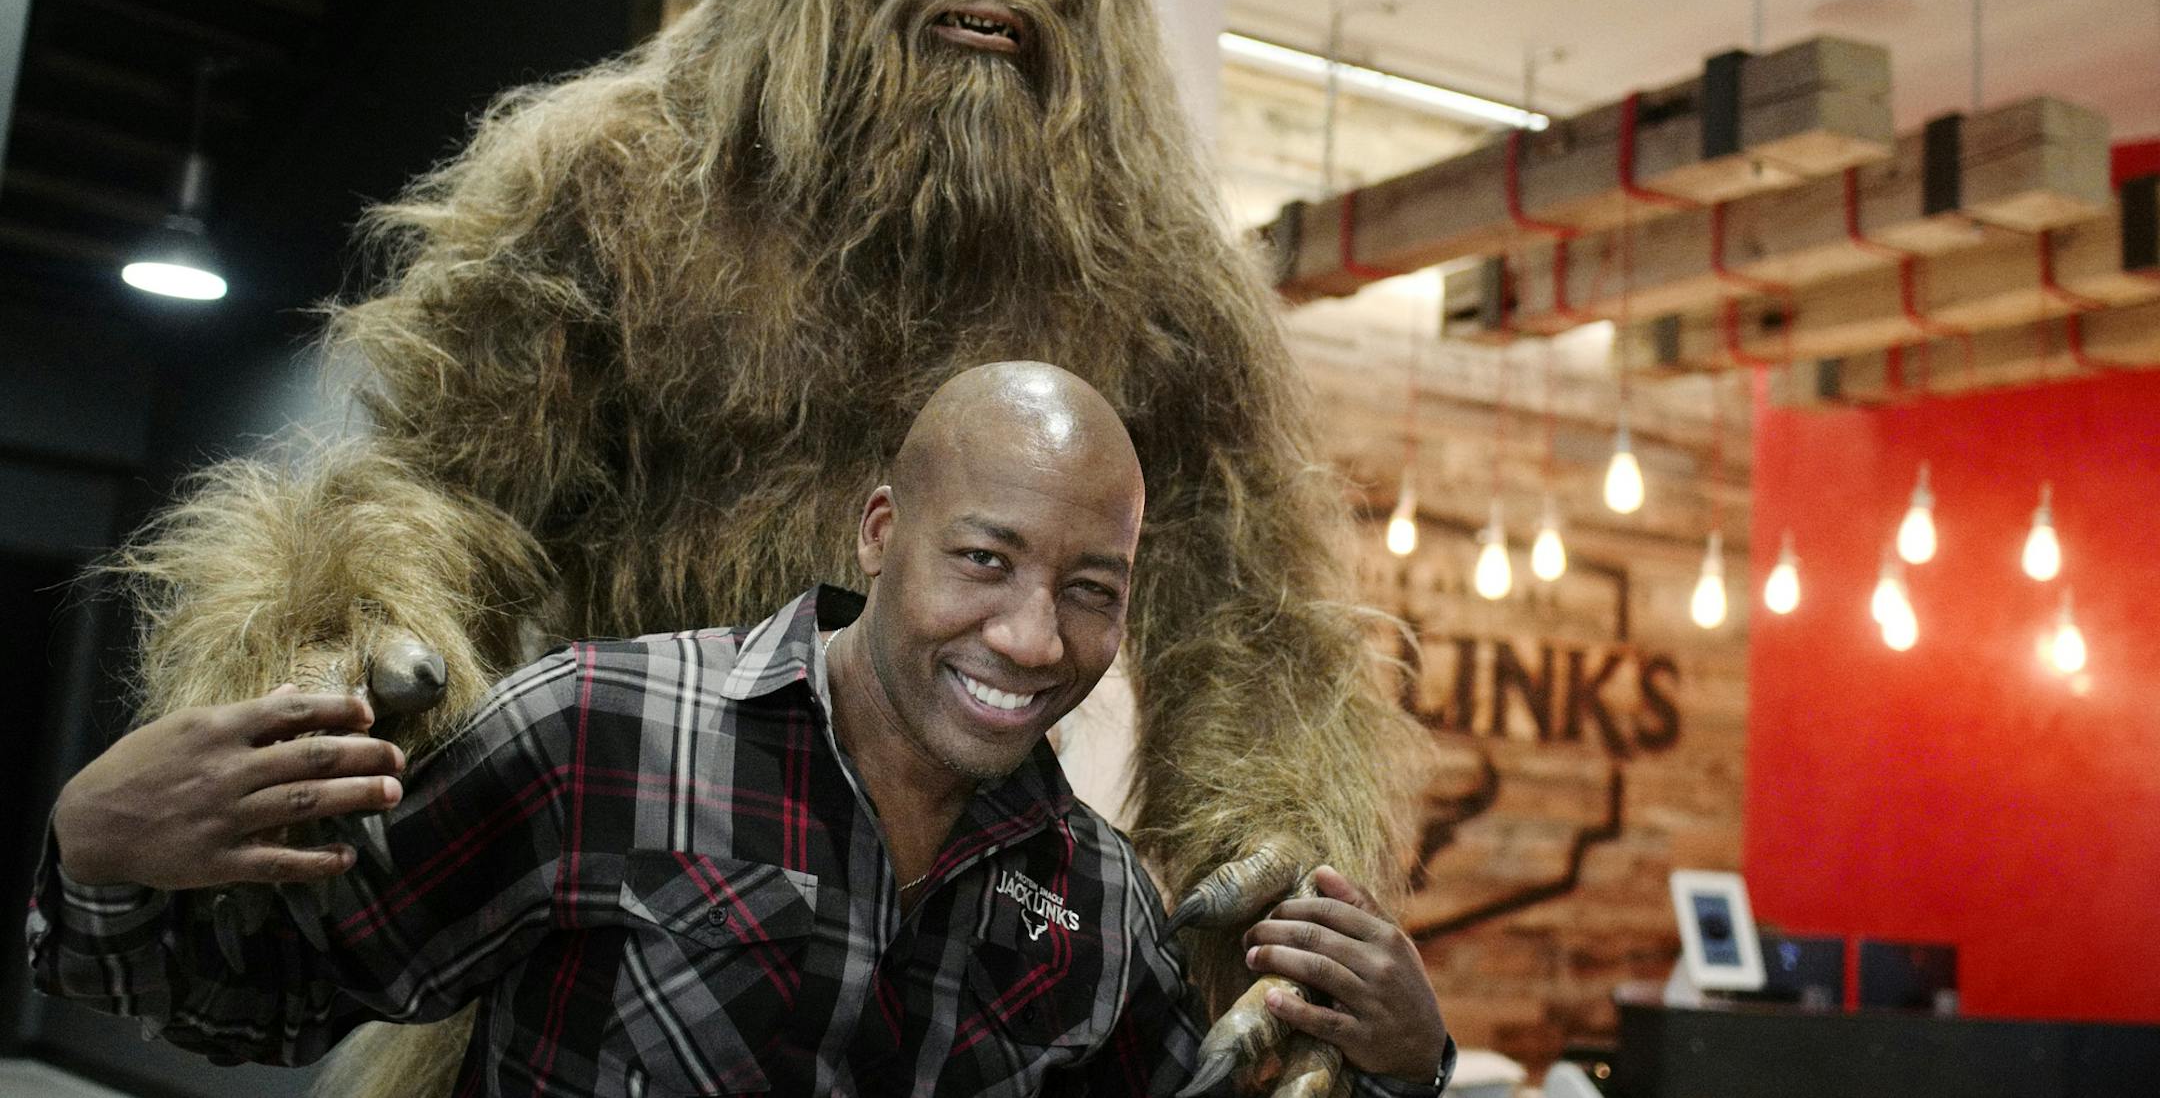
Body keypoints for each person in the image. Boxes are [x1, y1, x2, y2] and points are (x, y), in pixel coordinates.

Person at [33, 363, 1455, 1096]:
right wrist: (97, 855)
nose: (1033, 639)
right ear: (882, 532)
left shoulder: (1093, 900)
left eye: (1093, 592)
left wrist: (1404, 1064)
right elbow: (261, 996)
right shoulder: (602, 732)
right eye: (983, 561)